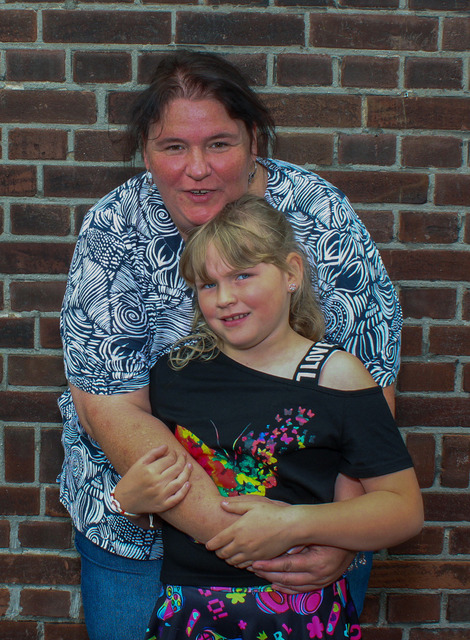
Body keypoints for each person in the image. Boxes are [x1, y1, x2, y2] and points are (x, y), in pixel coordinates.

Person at [58, 50, 403, 640]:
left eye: (219, 143)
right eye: (173, 147)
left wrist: (337, 530)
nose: (198, 169)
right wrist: (257, 544)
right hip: (146, 537)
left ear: (253, 141)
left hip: (311, 543)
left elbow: (368, 383)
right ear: (146, 151)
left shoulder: (320, 215)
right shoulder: (115, 230)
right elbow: (110, 407)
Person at [112, 195, 423, 640]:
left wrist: (296, 523)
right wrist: (127, 504)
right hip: (191, 612)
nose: (225, 298)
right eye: (207, 284)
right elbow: (157, 503)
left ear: (291, 272)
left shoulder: (337, 377)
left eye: (243, 275)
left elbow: (403, 510)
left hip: (302, 611)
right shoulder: (174, 375)